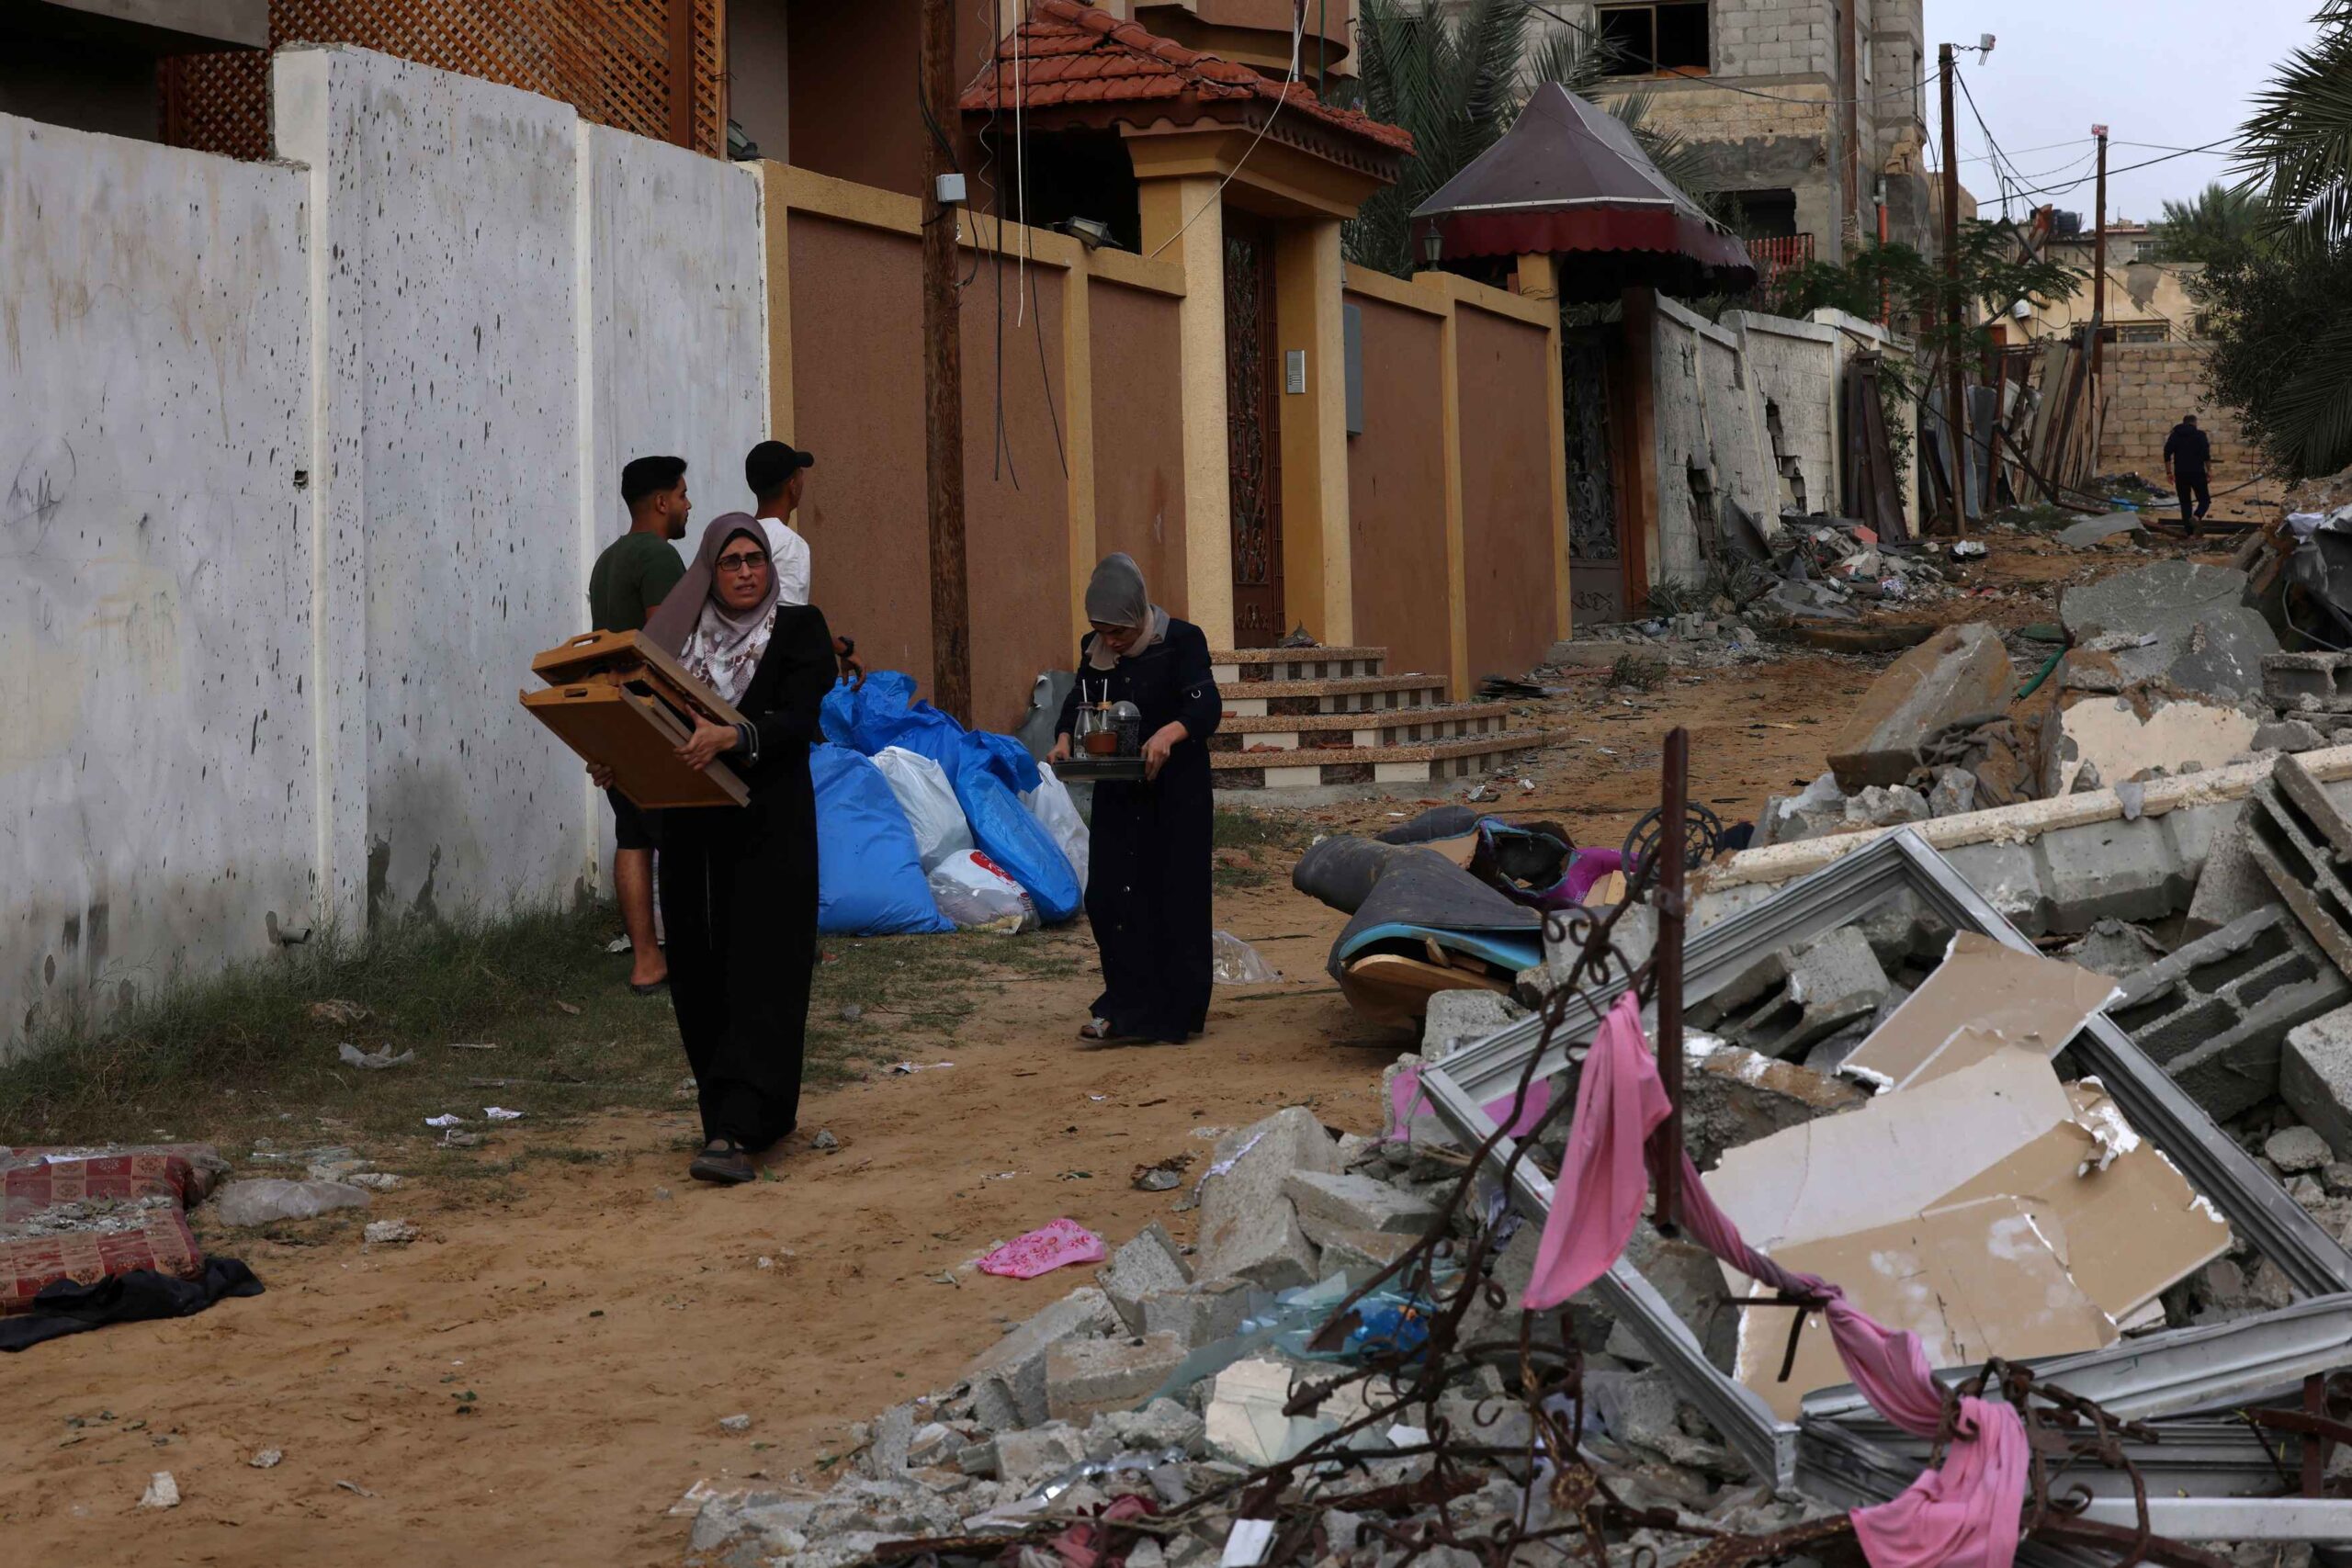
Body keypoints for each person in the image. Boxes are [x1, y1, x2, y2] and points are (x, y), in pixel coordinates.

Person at [610, 513, 835, 1184]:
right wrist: (617, 754)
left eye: (754, 560)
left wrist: (733, 737)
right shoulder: (680, 641)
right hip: (693, 830)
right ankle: (723, 1117)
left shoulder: (798, 630)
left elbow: (799, 718)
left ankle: (745, 1123)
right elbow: (653, 723)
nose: (744, 572)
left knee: (764, 967)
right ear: (710, 570)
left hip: (771, 828)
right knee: (700, 969)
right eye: (731, 561)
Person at [1049, 554, 1221, 1044]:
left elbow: (1206, 705)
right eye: (1102, 631)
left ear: (1138, 614)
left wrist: (1169, 733)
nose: (1112, 642)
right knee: (1110, 895)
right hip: (1121, 791)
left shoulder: (1181, 640)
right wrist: (1064, 738)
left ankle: (1174, 1012)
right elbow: (1078, 700)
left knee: (1174, 895)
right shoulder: (1097, 650)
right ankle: (1124, 1003)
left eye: (1119, 631)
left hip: (1176, 794)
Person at [587, 455, 691, 993]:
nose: (688, 505)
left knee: (632, 836)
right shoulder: (659, 555)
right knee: (682, 839)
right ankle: (694, 953)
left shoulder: (606, 560)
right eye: (683, 495)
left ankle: (647, 962)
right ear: (661, 502)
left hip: (614, 716)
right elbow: (664, 644)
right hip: (653, 716)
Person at [745, 440, 816, 607]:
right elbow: (789, 617)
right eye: (800, 473)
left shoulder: (737, 534)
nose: (803, 479)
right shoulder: (788, 544)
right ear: (793, 486)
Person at [2165, 413, 2214, 535]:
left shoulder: (2175, 435)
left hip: (2181, 473)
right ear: (2195, 423)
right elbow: (2206, 455)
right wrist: (2209, 470)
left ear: (2184, 422)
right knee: (2204, 500)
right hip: (2197, 472)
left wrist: (2169, 472)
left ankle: (2189, 533)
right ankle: (2197, 517)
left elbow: (2167, 453)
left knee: (2185, 503)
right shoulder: (2200, 435)